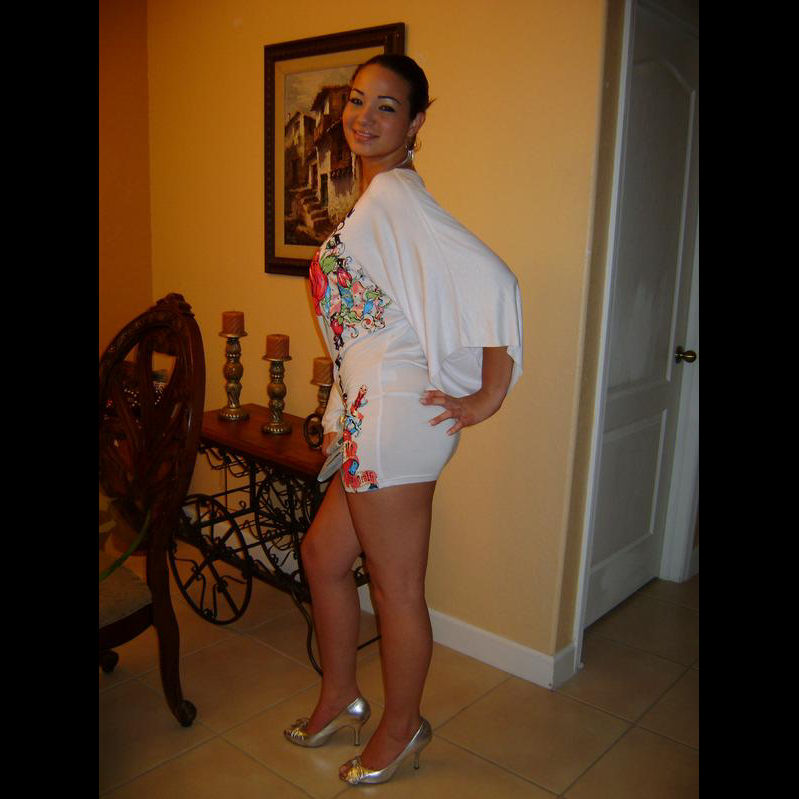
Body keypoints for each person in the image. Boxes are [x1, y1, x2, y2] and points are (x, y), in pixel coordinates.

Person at [284, 54, 523, 785]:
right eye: (358, 100)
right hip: (370, 412)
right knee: (323, 557)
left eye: (386, 106)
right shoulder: (374, 202)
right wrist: (338, 412)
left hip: (395, 417)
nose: (365, 117)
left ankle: (401, 726)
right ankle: (340, 695)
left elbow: (496, 281)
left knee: (394, 590)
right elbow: (363, 329)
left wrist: (487, 395)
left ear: (415, 123)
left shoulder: (396, 197)